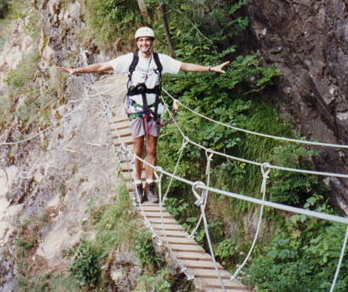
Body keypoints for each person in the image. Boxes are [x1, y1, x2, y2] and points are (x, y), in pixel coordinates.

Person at [57, 27, 229, 203]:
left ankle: (150, 187)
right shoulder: (130, 60)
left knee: (151, 149)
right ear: (137, 42)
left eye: (147, 40)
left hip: (154, 109)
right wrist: (76, 70)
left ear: (152, 42)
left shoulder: (160, 60)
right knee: (138, 148)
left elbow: (185, 66)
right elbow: (102, 66)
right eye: (141, 40)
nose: (144, 43)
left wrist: (210, 68)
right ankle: (137, 186)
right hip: (137, 108)